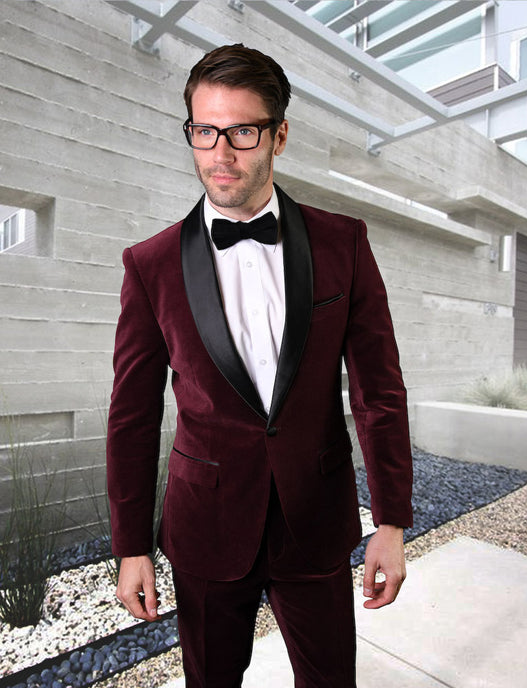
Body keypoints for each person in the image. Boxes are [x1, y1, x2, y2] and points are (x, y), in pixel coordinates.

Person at [107, 43, 413, 688]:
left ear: (279, 137)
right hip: (206, 527)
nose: (221, 152)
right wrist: (131, 546)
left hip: (315, 517)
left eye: (243, 131)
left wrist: (391, 521)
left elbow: (378, 392)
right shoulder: (150, 264)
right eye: (204, 130)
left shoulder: (344, 243)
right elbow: (132, 417)